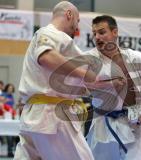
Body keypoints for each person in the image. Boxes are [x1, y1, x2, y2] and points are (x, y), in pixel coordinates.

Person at [13, 1, 114, 159]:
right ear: (69, 15)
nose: (77, 27)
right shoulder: (49, 33)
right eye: (77, 21)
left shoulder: (62, 41)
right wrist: (83, 73)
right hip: (52, 116)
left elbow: (85, 81)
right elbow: (46, 57)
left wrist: (108, 83)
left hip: (37, 116)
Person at [85, 15, 141, 160]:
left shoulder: (135, 58)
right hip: (103, 124)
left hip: (135, 123)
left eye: (102, 32)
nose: (97, 37)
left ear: (115, 32)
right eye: (94, 33)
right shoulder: (87, 60)